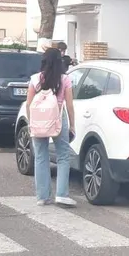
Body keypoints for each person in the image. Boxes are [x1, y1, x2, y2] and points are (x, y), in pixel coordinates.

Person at [26, 48, 76, 207]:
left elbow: (29, 104)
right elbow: (69, 104)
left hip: (39, 119)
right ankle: (61, 194)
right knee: (63, 156)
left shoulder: (35, 79)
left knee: (41, 156)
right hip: (58, 118)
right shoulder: (65, 79)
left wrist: (30, 123)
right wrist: (72, 125)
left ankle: (42, 196)